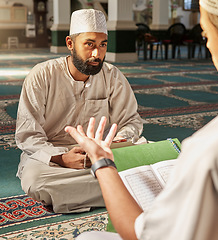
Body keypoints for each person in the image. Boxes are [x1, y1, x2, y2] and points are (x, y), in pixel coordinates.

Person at [65, 0, 218, 239]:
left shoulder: (217, 143)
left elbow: (141, 232)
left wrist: (102, 162)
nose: (209, 43)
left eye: (206, 34)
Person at [15, 9, 143, 214]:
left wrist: (114, 145)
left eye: (103, 45)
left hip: (102, 153)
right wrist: (61, 158)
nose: (97, 54)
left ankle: (98, 188)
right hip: (55, 156)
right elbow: (28, 134)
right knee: (35, 180)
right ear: (70, 44)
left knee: (160, 157)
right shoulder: (42, 75)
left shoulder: (112, 76)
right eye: (89, 44)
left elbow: (131, 121)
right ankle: (129, 189)